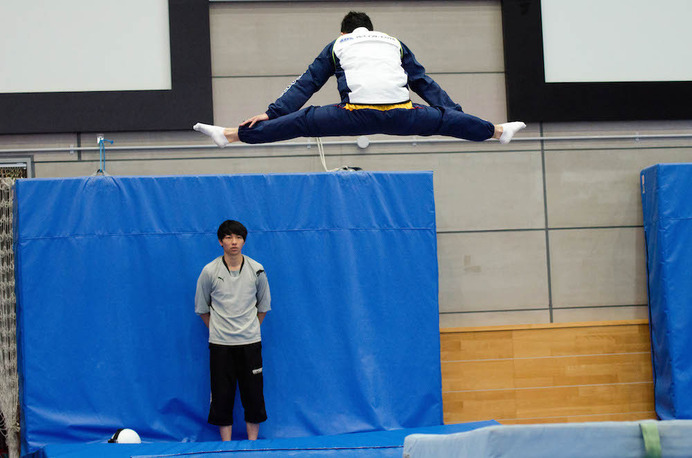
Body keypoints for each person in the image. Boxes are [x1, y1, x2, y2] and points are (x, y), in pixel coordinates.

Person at [194, 11, 525, 147]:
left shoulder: (338, 44)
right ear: (373, 28)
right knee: (442, 120)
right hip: (404, 115)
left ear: (343, 32)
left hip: (353, 114)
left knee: (302, 121)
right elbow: (424, 84)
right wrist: (457, 115)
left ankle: (230, 135)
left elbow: (306, 84)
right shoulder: (394, 42)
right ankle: (497, 131)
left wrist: (273, 112)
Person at [195, 220, 271, 441]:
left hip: (250, 343)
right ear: (220, 241)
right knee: (222, 396)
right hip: (220, 346)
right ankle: (226, 446)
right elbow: (202, 308)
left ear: (244, 241)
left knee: (253, 395)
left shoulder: (257, 270)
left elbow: (263, 306)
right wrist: (219, 331)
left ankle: (253, 444)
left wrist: (249, 329)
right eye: (228, 237)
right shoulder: (209, 271)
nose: (234, 242)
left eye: (238, 237)